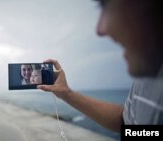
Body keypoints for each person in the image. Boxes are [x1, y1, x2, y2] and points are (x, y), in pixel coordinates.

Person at [38, 0, 163, 133]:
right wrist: (66, 94)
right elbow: (126, 122)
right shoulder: (146, 78)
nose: (100, 29)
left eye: (104, 5)